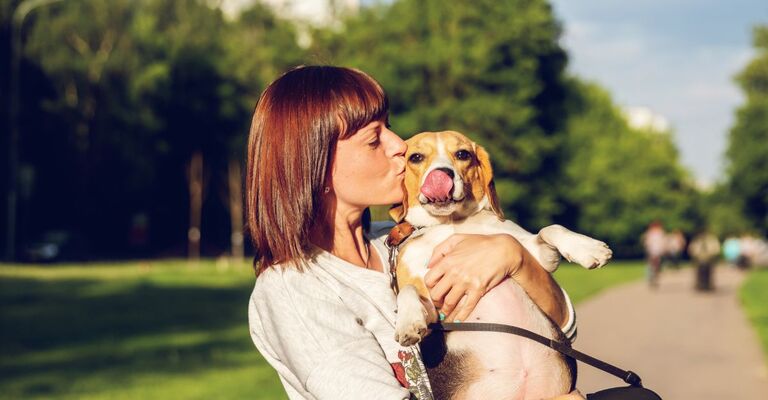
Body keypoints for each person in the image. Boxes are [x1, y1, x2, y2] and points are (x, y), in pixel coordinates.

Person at [245, 66, 580, 399]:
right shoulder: (294, 289)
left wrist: (515, 257)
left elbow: (560, 331)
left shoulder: (404, 239)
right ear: (315, 165)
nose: (398, 145)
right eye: (374, 139)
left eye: (389, 128)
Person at [642, 221, 666, 288]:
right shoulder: (657, 232)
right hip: (654, 251)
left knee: (653, 265)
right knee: (654, 265)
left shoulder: (653, 232)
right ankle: (652, 277)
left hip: (654, 251)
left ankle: (652, 277)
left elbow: (646, 242)